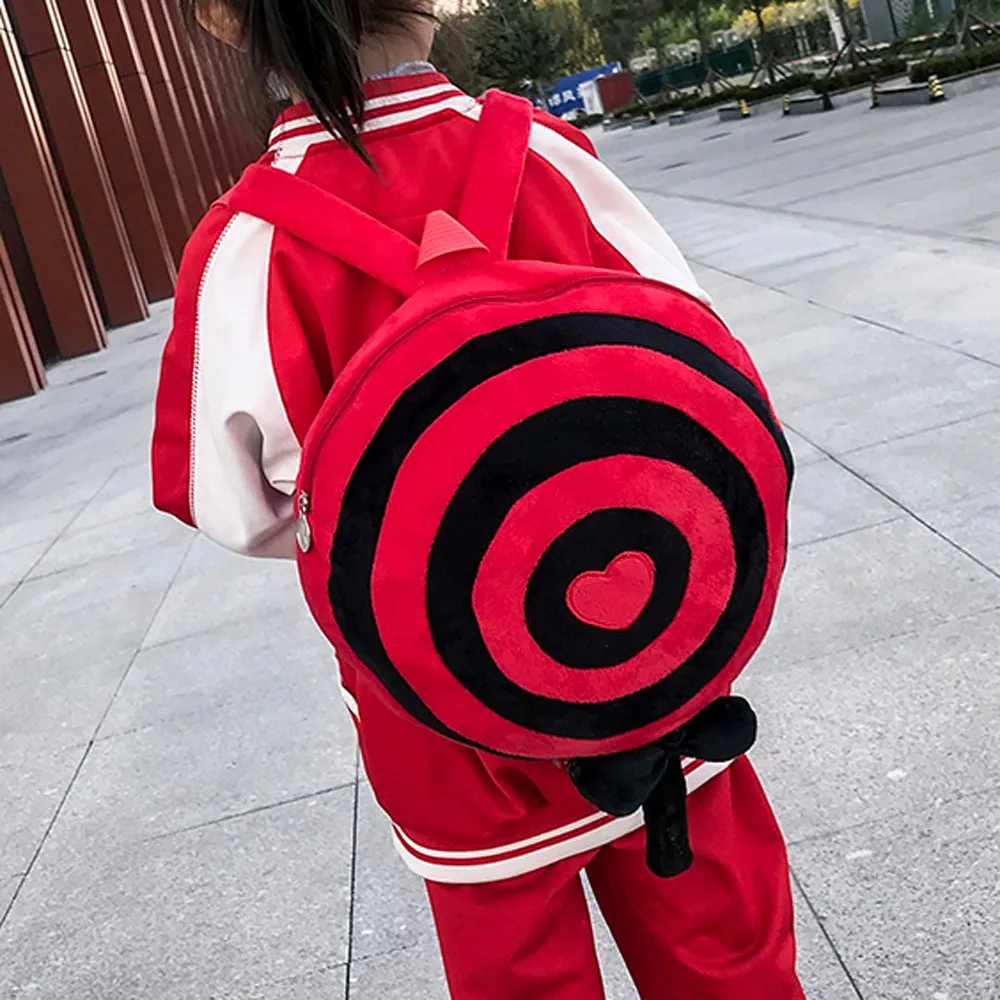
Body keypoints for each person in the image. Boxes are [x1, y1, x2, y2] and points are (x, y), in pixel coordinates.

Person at [152, 2, 806, 997]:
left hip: (446, 717)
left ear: (222, 20)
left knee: (517, 973)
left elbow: (232, 506)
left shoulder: (250, 240)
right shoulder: (545, 154)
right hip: (652, 658)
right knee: (729, 959)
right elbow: (707, 361)